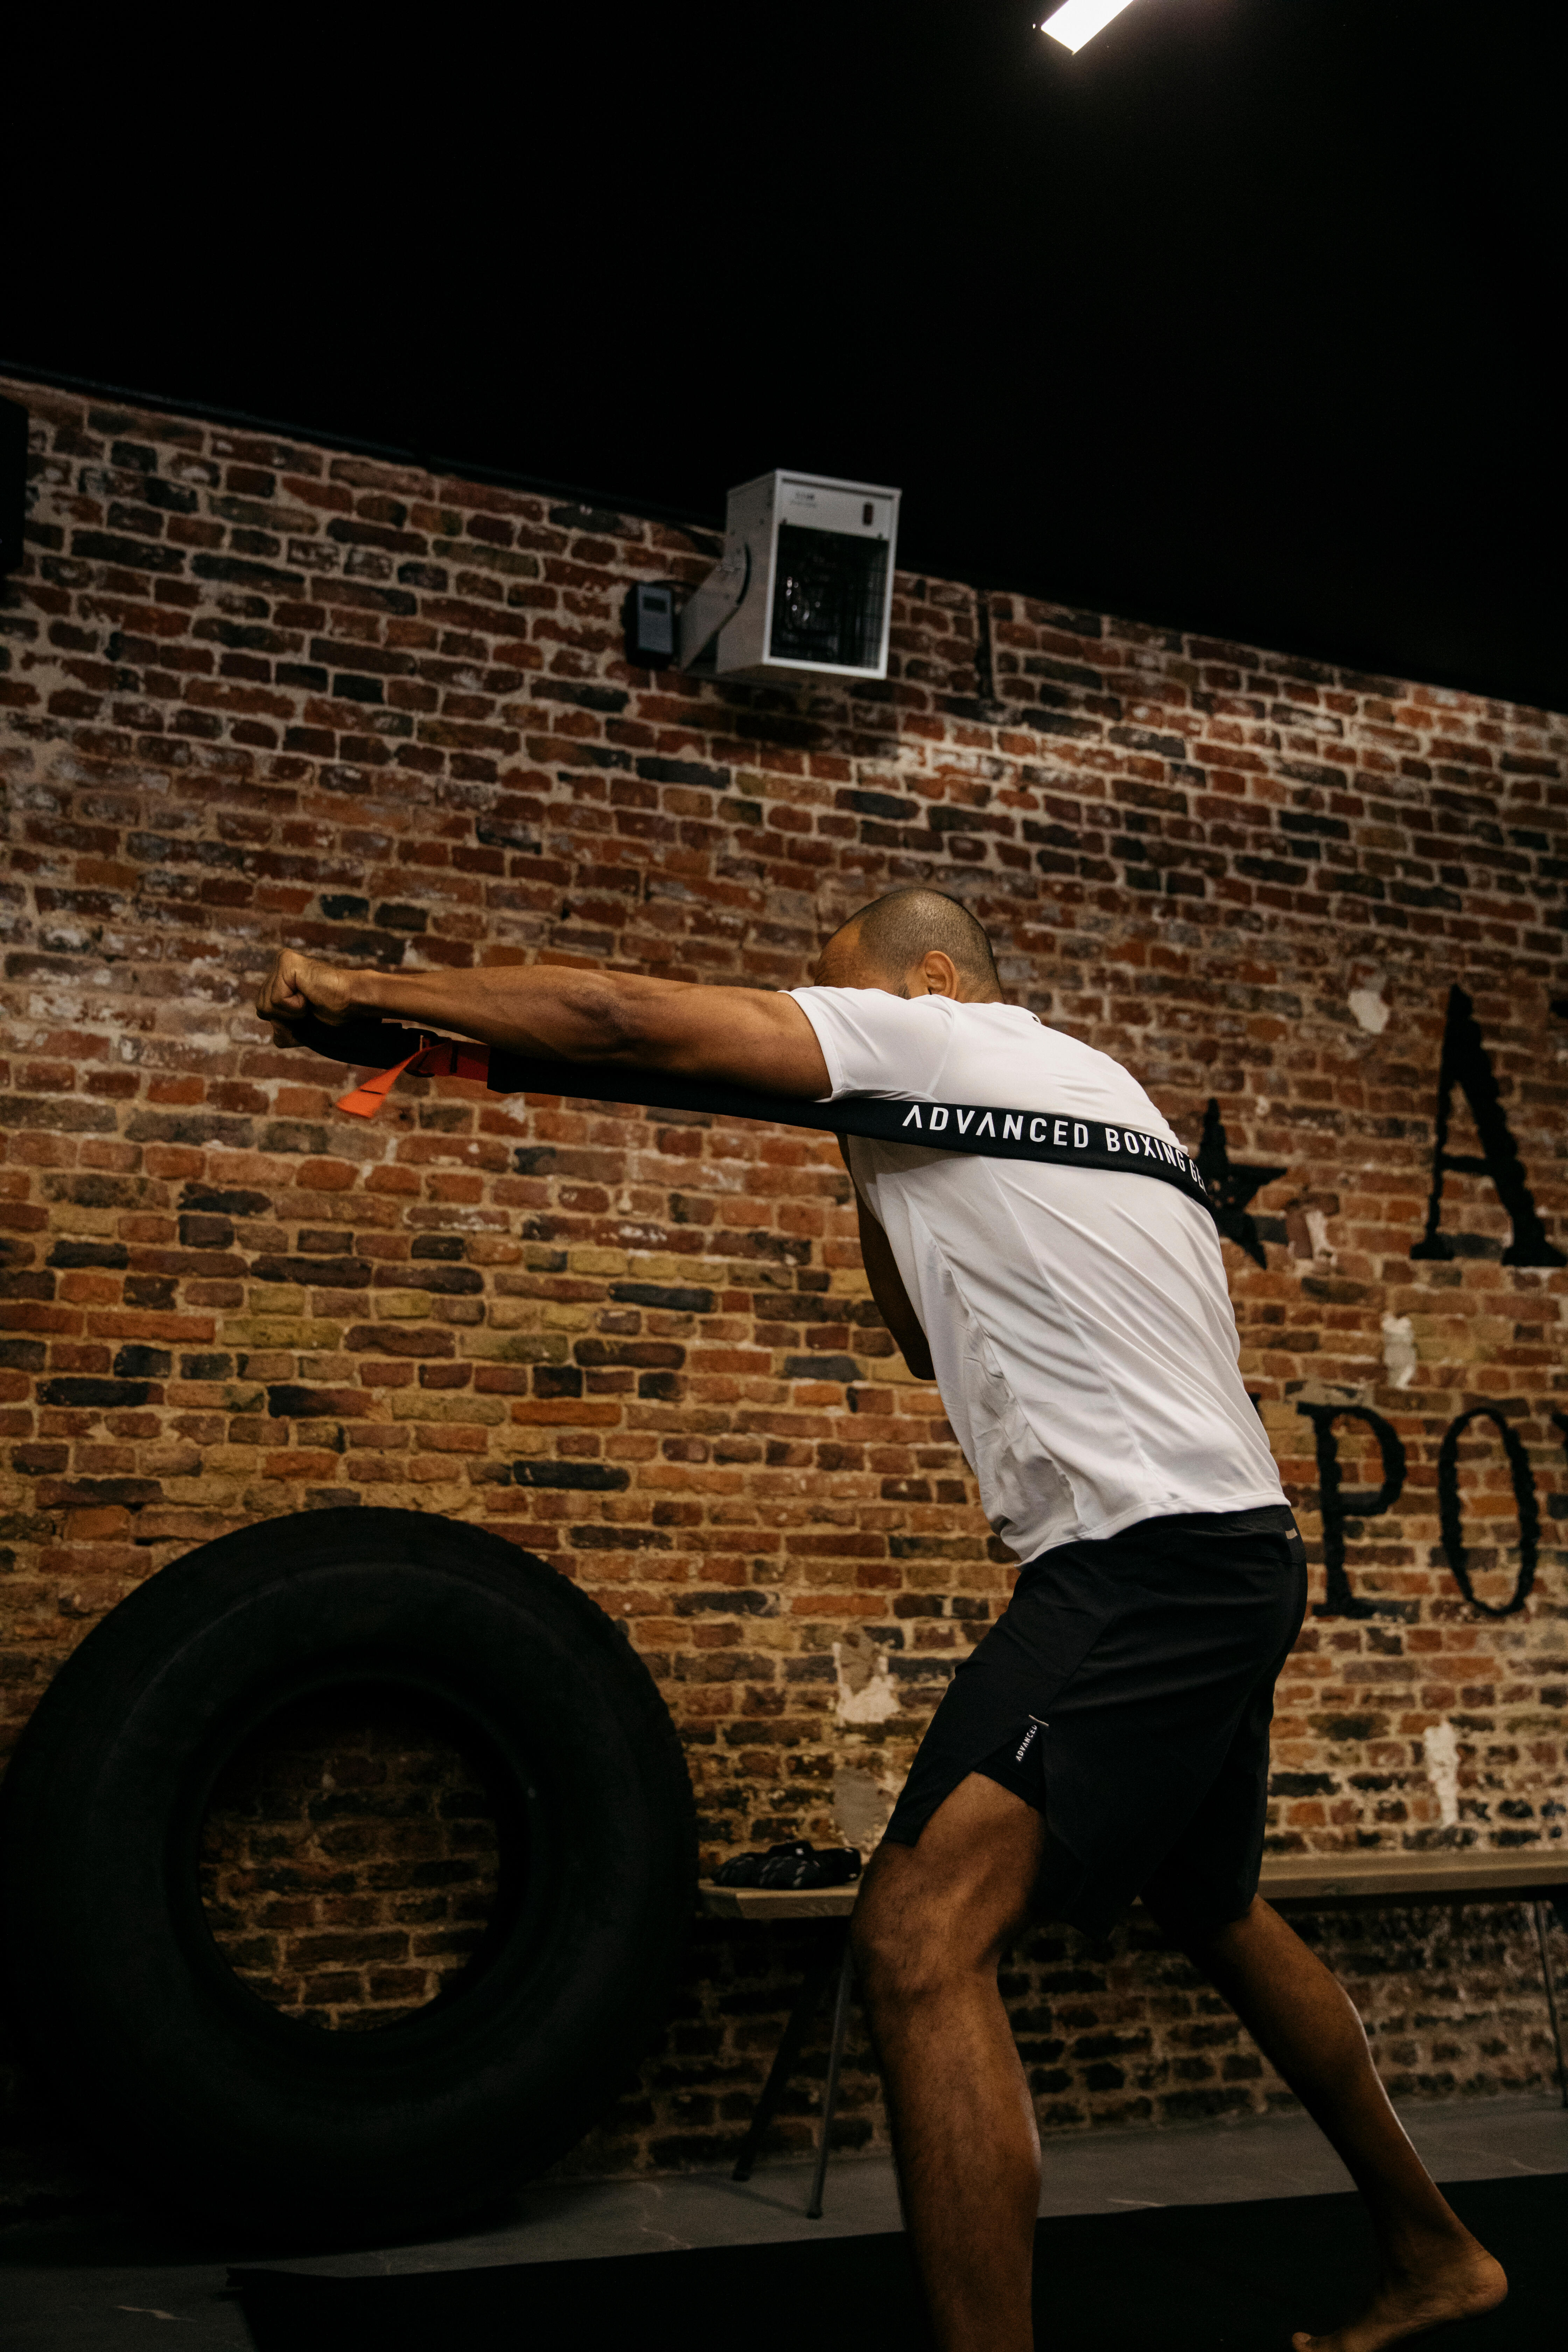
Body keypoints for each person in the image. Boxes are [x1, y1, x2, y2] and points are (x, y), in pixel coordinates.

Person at [257, 887, 1506, 2352]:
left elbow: (621, 1020)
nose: (823, 1015)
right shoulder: (1104, 1093)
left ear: (930, 981)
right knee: (1211, 1907)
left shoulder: (939, 1044)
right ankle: (1434, 2250)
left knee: (919, 1938)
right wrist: (869, 1162)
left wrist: (364, 985)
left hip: (1142, 1567)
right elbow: (923, 1344)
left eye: (835, 991)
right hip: (1227, 1554)